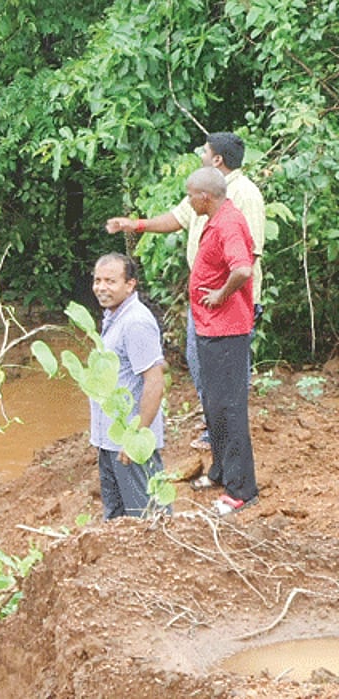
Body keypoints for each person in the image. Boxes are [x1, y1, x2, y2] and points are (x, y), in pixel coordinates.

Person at [105, 132, 265, 451]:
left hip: (230, 302)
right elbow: (176, 219)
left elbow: (248, 255)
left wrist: (222, 292)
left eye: (205, 151)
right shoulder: (203, 188)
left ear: (217, 158)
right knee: (198, 361)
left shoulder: (244, 194)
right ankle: (217, 426)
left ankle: (228, 433)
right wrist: (134, 225)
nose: (201, 154)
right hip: (204, 299)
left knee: (226, 371)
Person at [182, 167, 258, 516]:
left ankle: (241, 489)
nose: (188, 201)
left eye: (190, 195)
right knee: (214, 405)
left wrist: (220, 295)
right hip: (211, 327)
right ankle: (221, 470)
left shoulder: (227, 223)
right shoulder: (216, 219)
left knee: (229, 407)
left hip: (227, 329)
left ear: (205, 197)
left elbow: (242, 269)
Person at [89, 253, 168, 520]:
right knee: (117, 522)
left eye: (110, 281)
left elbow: (155, 382)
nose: (101, 287)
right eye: (98, 280)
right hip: (110, 442)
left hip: (130, 444)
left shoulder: (136, 322)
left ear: (130, 284)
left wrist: (136, 437)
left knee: (147, 521)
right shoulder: (114, 317)